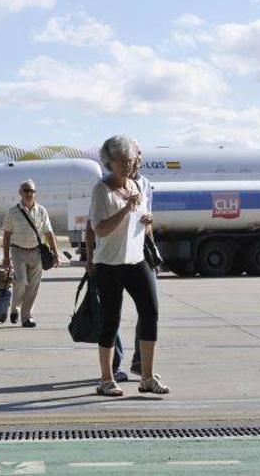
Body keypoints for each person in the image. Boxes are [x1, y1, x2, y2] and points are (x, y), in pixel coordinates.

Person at [88, 135, 169, 397]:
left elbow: (143, 224)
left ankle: (146, 377)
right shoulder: (102, 190)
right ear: (109, 163)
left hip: (137, 261)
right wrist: (125, 210)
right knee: (111, 320)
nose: (126, 166)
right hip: (110, 264)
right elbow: (99, 229)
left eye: (129, 160)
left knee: (151, 313)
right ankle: (106, 379)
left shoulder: (137, 186)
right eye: (120, 162)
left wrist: (147, 220)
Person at [1, 180, 60, 328]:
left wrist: (56, 253)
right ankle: (15, 308)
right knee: (21, 282)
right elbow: (7, 236)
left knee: (33, 286)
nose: (29, 194)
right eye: (26, 190)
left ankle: (26, 317)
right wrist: (6, 257)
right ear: (20, 193)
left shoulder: (42, 211)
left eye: (31, 191)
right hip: (18, 250)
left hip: (36, 252)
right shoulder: (12, 212)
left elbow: (49, 233)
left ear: (34, 193)